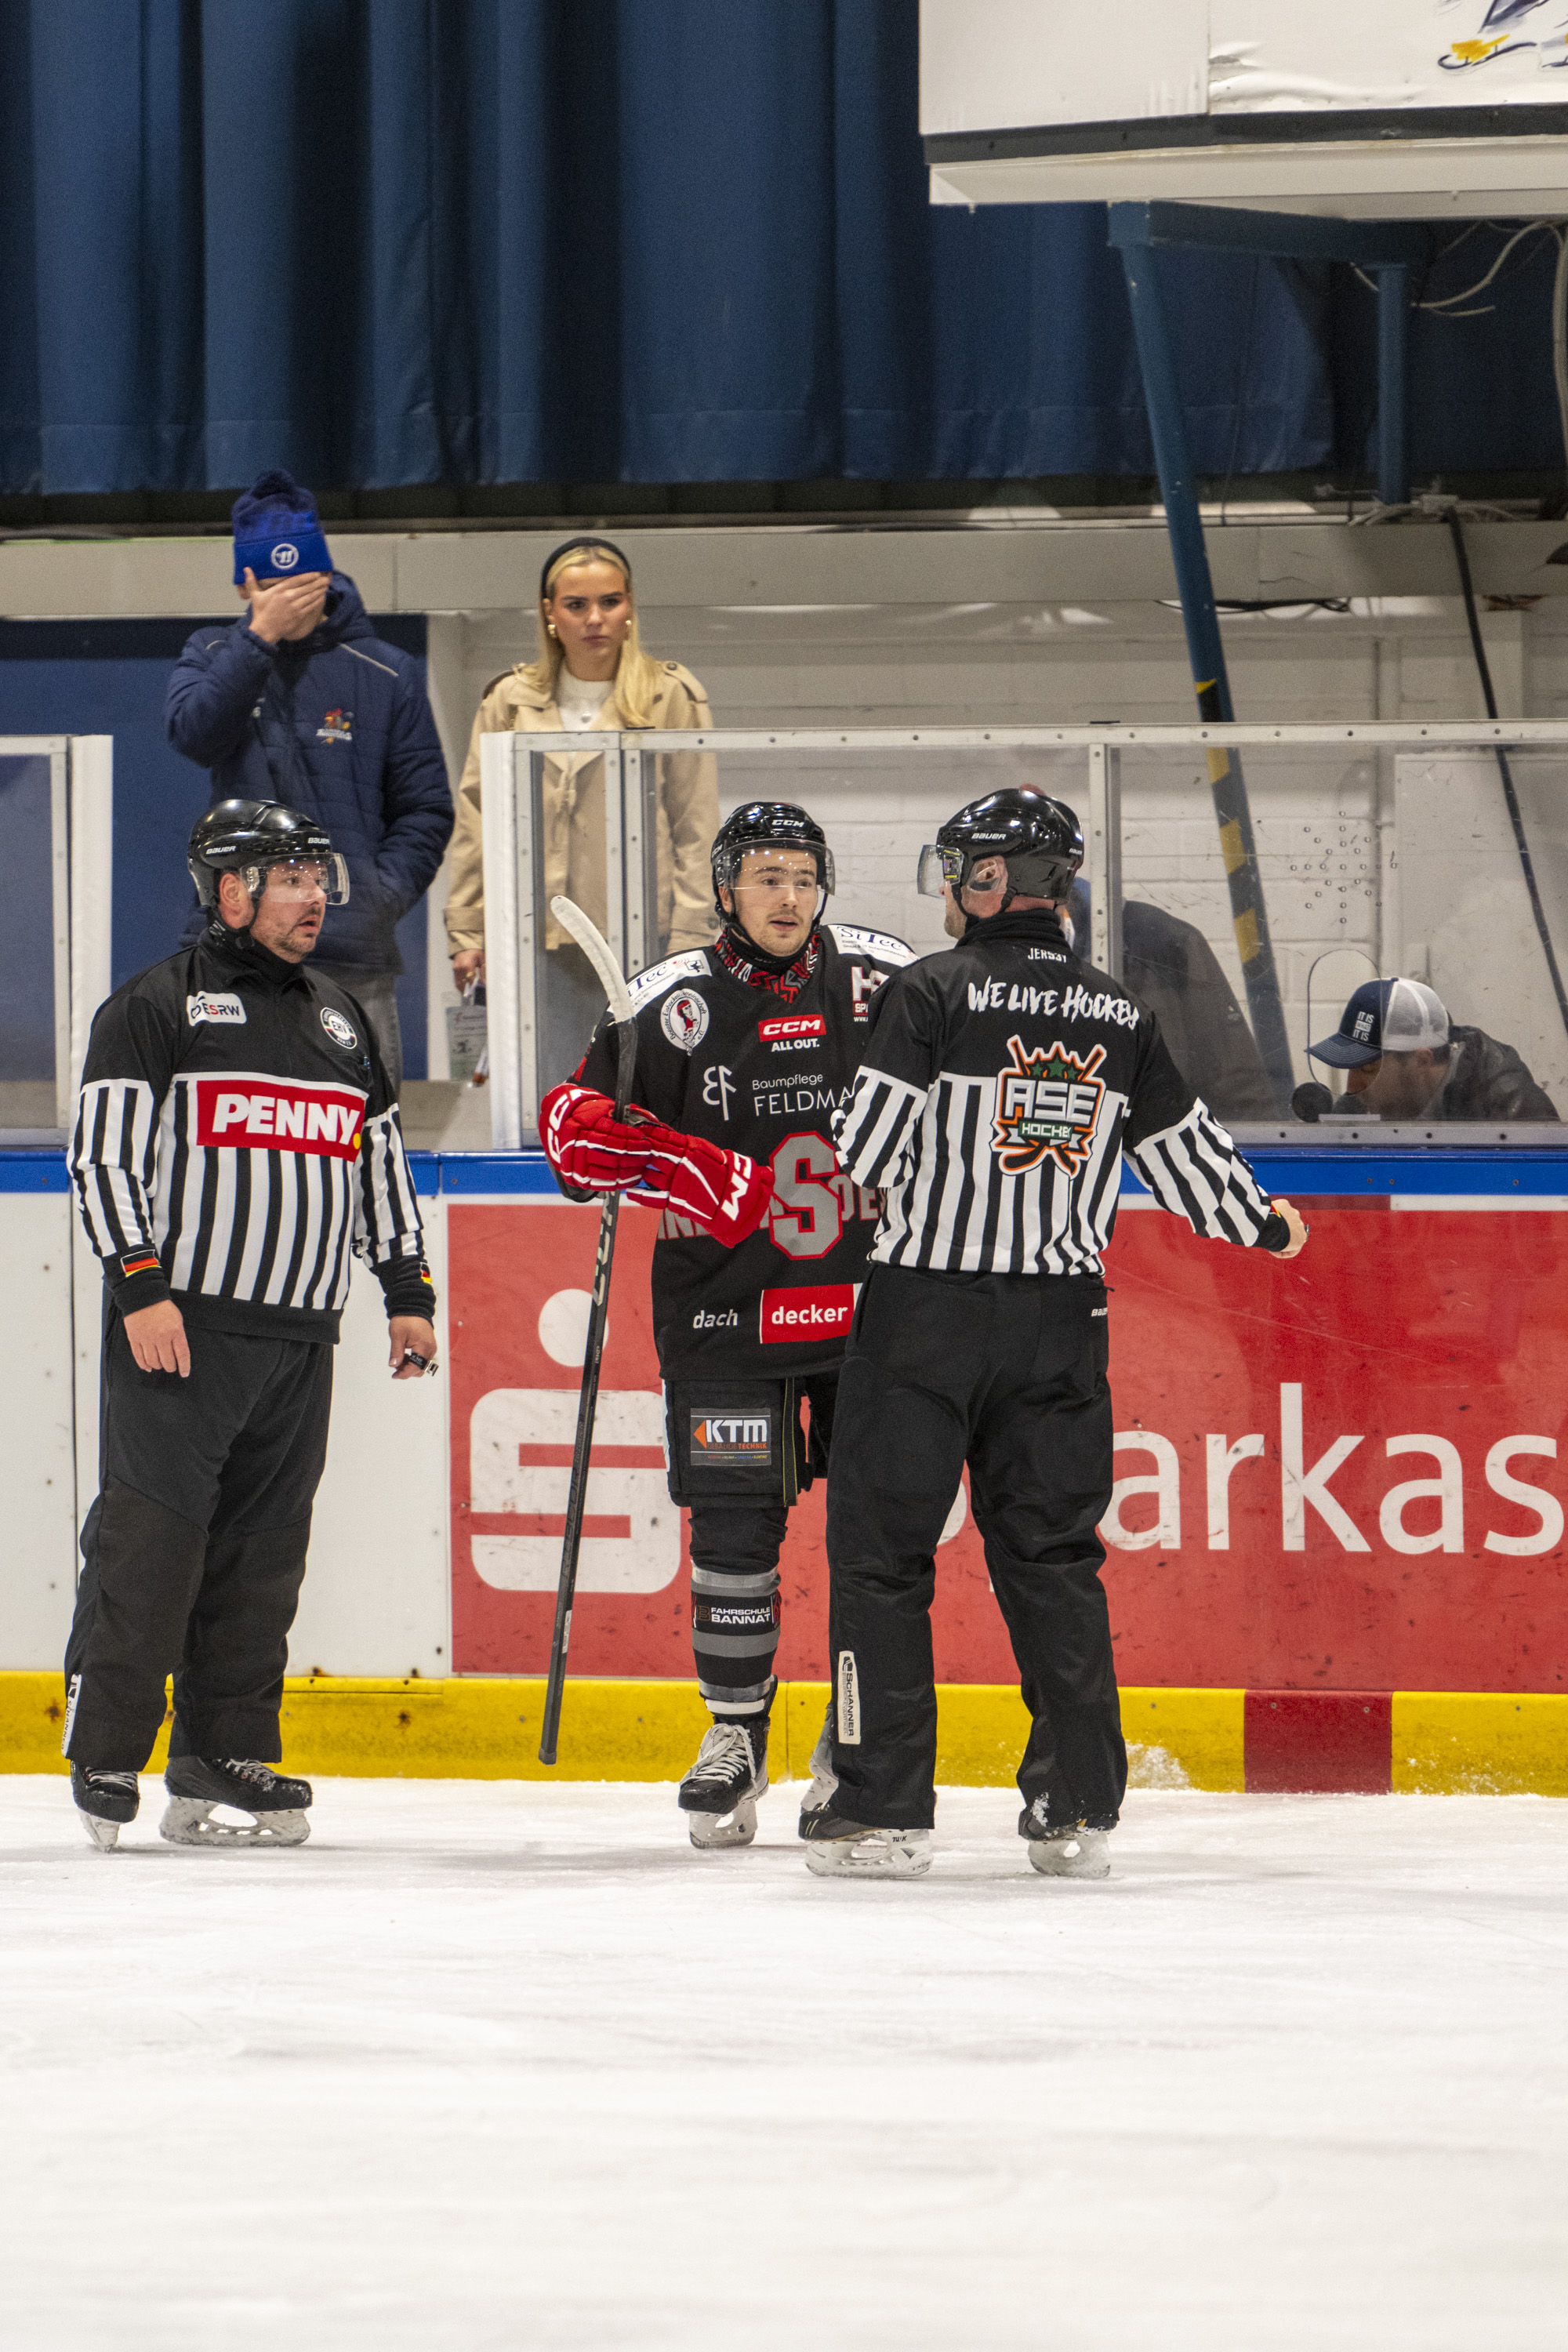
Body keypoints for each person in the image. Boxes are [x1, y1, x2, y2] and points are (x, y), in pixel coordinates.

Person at [802, 786, 1308, 1882]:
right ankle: (1075, 1805)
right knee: (1054, 1561)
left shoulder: (932, 992)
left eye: (964, 867)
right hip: (1060, 1326)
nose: (952, 885)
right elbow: (1191, 1165)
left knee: (882, 1561)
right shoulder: (1121, 1015)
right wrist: (1264, 1225)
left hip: (925, 1318)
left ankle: (879, 1807)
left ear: (994, 884)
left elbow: (867, 1153)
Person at [63, 800, 439, 1853]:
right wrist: (140, 1288)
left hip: (299, 1340)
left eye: (319, 877)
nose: (315, 897)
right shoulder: (152, 1009)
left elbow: (377, 1165)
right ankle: (106, 1751)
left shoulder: (339, 1018)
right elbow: (103, 1161)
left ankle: (221, 1749)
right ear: (228, 890)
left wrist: (406, 1290)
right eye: (290, 878)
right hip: (181, 1332)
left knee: (263, 1555)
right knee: (153, 1543)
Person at [539, 803, 913, 1848]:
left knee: (871, 1542)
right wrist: (694, 1167)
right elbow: (571, 1139)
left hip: (866, 1311)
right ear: (727, 890)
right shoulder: (670, 1003)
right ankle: (735, 1737)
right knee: (735, 1535)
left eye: (803, 877)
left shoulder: (882, 978)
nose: (788, 898)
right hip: (725, 1316)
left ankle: (856, 1740)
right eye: (767, 878)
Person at [166, 470, 453, 1091]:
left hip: (350, 953)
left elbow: (426, 809)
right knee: (231, 1140)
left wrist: (377, 897)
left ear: (325, 571)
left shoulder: (386, 671)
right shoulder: (215, 653)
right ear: (244, 582)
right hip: (231, 952)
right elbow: (193, 734)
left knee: (360, 1141)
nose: (289, 597)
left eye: (301, 580)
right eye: (271, 584)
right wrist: (258, 638)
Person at [444, 535, 720, 1077]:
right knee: (548, 1092)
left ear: (630, 606)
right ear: (550, 613)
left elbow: (697, 825)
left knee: (644, 1093)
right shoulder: (509, 700)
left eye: (610, 601)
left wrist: (691, 940)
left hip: (643, 935)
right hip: (533, 937)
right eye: (576, 605)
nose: (596, 618)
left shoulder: (671, 695)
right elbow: (476, 822)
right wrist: (468, 933)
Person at [1065, 880, 1277, 1122]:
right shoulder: (1017, 950)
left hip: (1150, 1147)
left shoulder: (1163, 941)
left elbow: (1236, 1083)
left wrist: (1252, 1153)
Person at [1306, 976, 1558, 1120]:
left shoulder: (1511, 1105)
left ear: (1421, 1062)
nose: (1351, 1088)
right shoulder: (1360, 1104)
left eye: (1369, 1068)